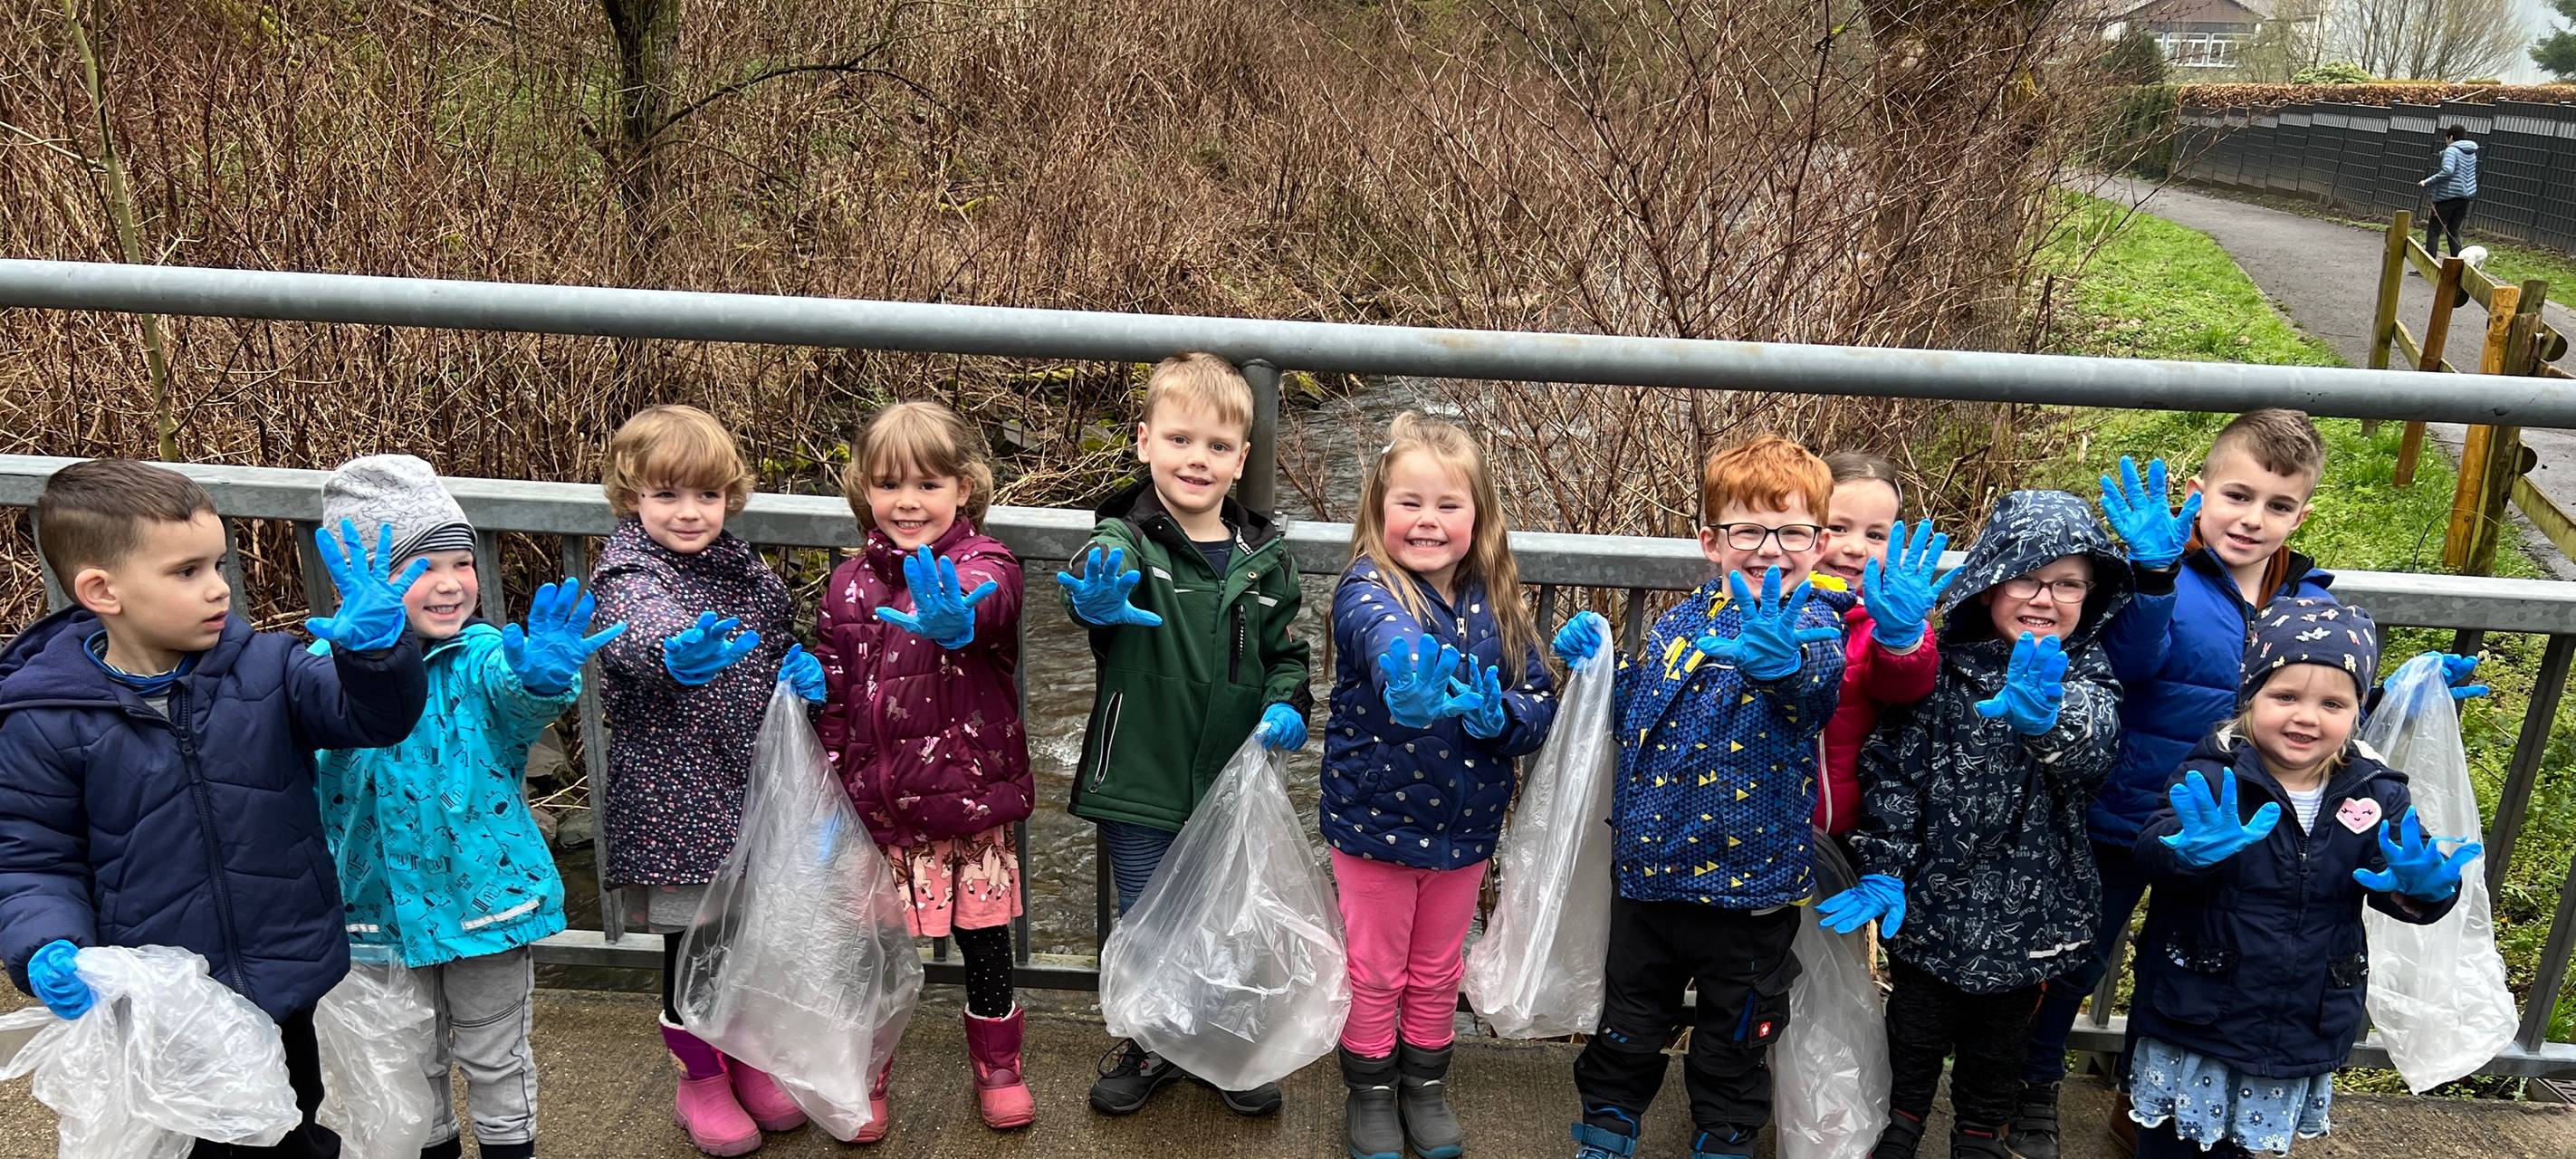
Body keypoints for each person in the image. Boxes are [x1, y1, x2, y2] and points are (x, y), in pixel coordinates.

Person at [0, 459, 431, 1157]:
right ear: (101, 590)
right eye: (186, 571)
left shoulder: (270, 667)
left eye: (218, 565)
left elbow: (370, 717)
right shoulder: (45, 719)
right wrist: (47, 942)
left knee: (294, 1124)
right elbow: (30, 854)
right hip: (166, 1007)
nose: (218, 589)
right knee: (206, 1144)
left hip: (287, 972)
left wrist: (377, 655)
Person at [311, 455, 623, 1159]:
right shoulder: (321, 668)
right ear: (356, 581)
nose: (450, 583)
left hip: (484, 901)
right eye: (419, 567)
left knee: (495, 1055)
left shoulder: (480, 655)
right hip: (377, 905)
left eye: (461, 560)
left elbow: (514, 699)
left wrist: (542, 682)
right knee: (409, 1060)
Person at [1563, 436, 1849, 1159]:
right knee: (1628, 1017)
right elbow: (1641, 717)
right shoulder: (1679, 622)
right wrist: (1598, 670)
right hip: (1650, 877)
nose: (1769, 549)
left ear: (1817, 544)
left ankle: (1723, 1134)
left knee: (1738, 1032)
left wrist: (1781, 667)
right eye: (1748, 530)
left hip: (1747, 890)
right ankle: (1607, 1121)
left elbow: (1812, 680)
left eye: (1790, 532)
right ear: (1711, 542)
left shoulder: (1811, 626)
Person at [1822, 490, 2131, 1159]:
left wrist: (2049, 721)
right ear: (1989, 578)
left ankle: (1979, 1134)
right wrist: (1882, 865)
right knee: (1912, 1025)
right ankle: (1899, 1122)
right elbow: (1895, 774)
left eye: (2068, 584)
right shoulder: (1943, 672)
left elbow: (2094, 751)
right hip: (1933, 902)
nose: (2044, 598)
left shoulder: (2086, 673)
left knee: (2000, 1042)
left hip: (2032, 914)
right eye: (2026, 577)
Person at [2124, 599, 2474, 1157]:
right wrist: (2183, 853)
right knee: (2171, 1145)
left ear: (2359, 710)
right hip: (2199, 1010)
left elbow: (2406, 869)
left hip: (2299, 1015)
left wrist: (2427, 888)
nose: (2306, 717)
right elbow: (2153, 850)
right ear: (2250, 698)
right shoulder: (2213, 773)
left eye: (2332, 703)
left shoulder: (2377, 792)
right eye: (2284, 696)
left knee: (2247, 1149)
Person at [1060, 351, 1313, 1120]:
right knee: (1149, 919)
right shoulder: (1126, 538)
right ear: (1143, 443)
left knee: (1224, 918)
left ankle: (1212, 1044)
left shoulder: (1263, 559)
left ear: (1239, 460)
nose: (1194, 459)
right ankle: (1150, 1044)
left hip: (1227, 780)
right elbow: (1098, 567)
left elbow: (1286, 652)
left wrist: (1288, 701)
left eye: (1213, 446)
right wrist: (1098, 601)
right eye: (1178, 440)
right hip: (1139, 776)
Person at [584, 404, 825, 1155]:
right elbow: (636, 626)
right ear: (632, 498)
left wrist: (802, 673)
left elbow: (777, 644)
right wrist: (672, 655)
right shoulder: (629, 570)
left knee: (746, 936)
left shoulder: (745, 568)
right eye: (667, 495)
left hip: (748, 781)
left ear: (730, 497)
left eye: (706, 495)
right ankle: (700, 1080)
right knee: (692, 942)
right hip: (676, 796)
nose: (690, 513)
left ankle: (746, 1056)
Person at [1325, 413, 1561, 1159]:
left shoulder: (1498, 601)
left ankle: (1424, 1085)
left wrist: (1502, 720)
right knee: (1374, 970)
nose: (1427, 521)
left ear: (1477, 517)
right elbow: (1383, 637)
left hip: (1464, 829)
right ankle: (1369, 1091)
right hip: (1374, 824)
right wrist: (1404, 678)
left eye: (1447, 505)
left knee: (1435, 969)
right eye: (1409, 503)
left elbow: (1536, 703)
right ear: (1379, 510)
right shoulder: (1366, 589)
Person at [813, 401, 1034, 1140]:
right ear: (864, 491)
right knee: (871, 948)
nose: (908, 502)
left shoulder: (984, 561)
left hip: (964, 800)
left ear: (963, 488)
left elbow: (994, 598)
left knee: (984, 940)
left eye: (928, 484)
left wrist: (963, 619)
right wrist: (821, 742)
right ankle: (868, 1065)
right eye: (889, 484)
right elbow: (837, 691)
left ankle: (997, 1064)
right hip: (875, 805)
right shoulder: (845, 583)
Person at [1812, 452, 1944, 847]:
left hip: (1862, 826)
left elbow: (1904, 690)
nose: (1855, 548)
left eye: (1875, 535)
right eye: (1837, 527)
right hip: (1777, 820)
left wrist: (1901, 641)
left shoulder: (1889, 620)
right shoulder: (1775, 610)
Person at [2419, 125, 2480, 259]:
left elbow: (2448, 171)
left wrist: (2427, 181)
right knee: (2453, 230)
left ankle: (2429, 263)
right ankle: (2458, 263)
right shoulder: (2471, 152)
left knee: (2434, 230)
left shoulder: (2451, 150)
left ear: (2451, 137)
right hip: (2465, 197)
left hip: (2447, 197)